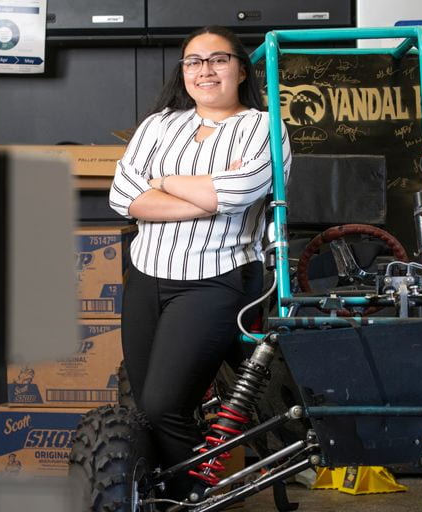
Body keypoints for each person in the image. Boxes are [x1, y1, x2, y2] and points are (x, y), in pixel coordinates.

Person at [108, 25, 292, 501]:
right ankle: (157, 497)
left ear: (240, 68)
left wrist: (163, 179)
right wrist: (206, 196)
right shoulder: (159, 124)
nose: (204, 70)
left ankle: (197, 496)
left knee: (163, 403)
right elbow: (124, 195)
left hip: (217, 281)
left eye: (218, 59)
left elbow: (238, 193)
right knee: (144, 409)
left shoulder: (262, 127)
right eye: (194, 61)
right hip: (147, 278)